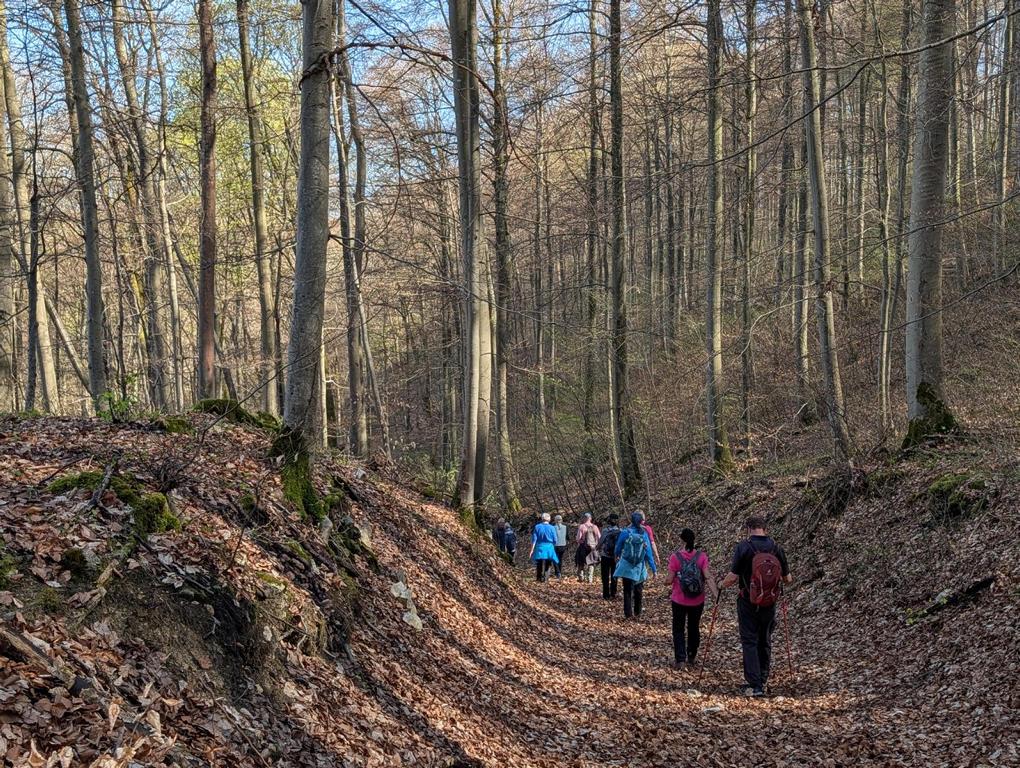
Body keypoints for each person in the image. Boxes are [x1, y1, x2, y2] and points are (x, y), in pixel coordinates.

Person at [719, 516, 792, 697]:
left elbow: (733, 577)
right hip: (770, 601)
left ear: (748, 529)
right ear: (765, 529)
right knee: (765, 639)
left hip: (748, 601)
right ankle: (763, 678)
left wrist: (720, 584)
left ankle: (755, 683)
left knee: (749, 640)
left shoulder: (743, 547)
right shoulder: (776, 548)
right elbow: (788, 579)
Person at [667, 528, 719, 669]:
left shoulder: (675, 557)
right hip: (697, 600)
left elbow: (669, 580)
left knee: (678, 628)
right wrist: (716, 595)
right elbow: (707, 577)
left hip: (679, 600)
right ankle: (691, 656)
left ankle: (680, 660)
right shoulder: (701, 557)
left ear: (682, 540)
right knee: (694, 627)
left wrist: (667, 580)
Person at [613, 511, 657, 619]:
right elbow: (648, 553)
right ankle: (638, 613)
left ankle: (628, 614)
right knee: (638, 590)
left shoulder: (625, 532)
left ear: (631, 521)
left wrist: (616, 556)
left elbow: (618, 547)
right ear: (641, 521)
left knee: (627, 591)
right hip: (639, 567)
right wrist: (654, 569)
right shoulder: (644, 533)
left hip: (627, 566)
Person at [597, 514, 622, 599]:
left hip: (605, 556)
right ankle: (613, 593)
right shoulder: (620, 531)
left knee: (605, 575)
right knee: (614, 575)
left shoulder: (605, 531)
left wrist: (597, 548)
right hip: (616, 557)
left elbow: (600, 542)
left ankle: (606, 594)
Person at [530, 512, 559, 583]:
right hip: (549, 547)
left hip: (540, 546)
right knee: (548, 563)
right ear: (549, 519)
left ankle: (539, 577)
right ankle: (546, 578)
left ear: (542, 519)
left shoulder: (537, 527)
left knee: (539, 562)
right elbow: (555, 539)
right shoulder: (552, 528)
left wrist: (532, 550)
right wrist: (553, 545)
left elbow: (534, 539)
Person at [575, 513, 601, 583]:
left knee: (581, 562)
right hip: (592, 547)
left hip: (583, 547)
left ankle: (581, 578)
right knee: (591, 563)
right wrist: (596, 545)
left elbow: (578, 538)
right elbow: (599, 537)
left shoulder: (582, 526)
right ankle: (590, 579)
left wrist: (580, 541)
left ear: (584, 518)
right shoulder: (595, 527)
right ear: (590, 518)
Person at [552, 514, 568, 578]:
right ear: (561, 520)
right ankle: (559, 572)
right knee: (560, 559)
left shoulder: (553, 527)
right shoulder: (565, 527)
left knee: (555, 559)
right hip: (563, 545)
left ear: (555, 520)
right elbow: (567, 536)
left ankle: (558, 572)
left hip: (555, 545)